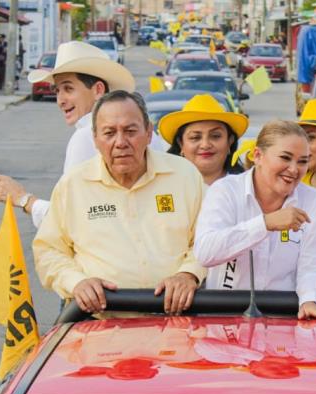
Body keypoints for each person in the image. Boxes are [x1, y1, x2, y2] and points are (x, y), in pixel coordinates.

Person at [33, 90, 206, 316]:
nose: (120, 142)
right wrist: (77, 282)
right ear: (95, 139)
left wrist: (188, 274)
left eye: (130, 131)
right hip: (98, 325)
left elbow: (208, 238)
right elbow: (48, 250)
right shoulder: (73, 185)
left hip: (176, 323)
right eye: (109, 133)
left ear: (148, 133)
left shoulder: (184, 175)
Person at [194, 120, 316, 322]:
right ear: (257, 156)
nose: (294, 169)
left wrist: (310, 301)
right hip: (223, 325)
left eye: (302, 161)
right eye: (285, 158)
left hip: (284, 324)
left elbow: (314, 265)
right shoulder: (225, 190)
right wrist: (265, 224)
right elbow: (206, 252)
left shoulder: (314, 201)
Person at [0, 41, 136, 228]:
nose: (60, 100)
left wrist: (23, 199)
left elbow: (70, 220)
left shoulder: (88, 137)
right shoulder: (138, 130)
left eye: (68, 89)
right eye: (57, 91)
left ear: (98, 90)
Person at [159, 94, 246, 185]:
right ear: (181, 144)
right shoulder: (164, 186)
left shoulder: (247, 187)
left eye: (215, 136)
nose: (205, 145)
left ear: (230, 142)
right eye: (195, 137)